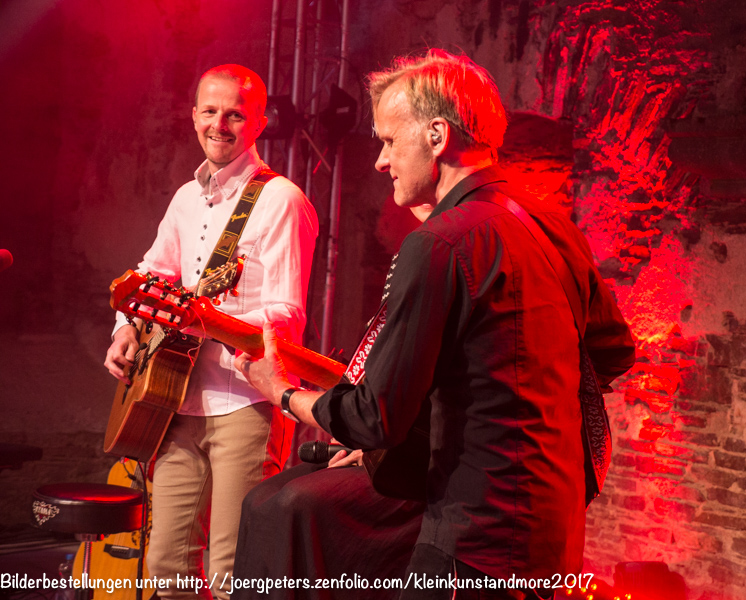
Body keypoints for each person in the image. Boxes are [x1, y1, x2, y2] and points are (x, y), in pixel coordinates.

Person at [234, 49, 635, 599]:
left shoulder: (438, 243)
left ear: (437, 136)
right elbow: (612, 352)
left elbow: (372, 418)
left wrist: (281, 391)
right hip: (553, 530)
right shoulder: (550, 223)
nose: (381, 161)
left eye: (388, 141)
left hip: (473, 539)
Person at [104, 64, 318, 600]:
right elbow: (151, 274)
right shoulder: (185, 198)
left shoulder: (282, 200)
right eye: (210, 111)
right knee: (166, 568)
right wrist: (125, 328)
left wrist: (203, 321)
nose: (219, 124)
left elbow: (286, 314)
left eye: (235, 115)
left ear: (260, 123)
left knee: (231, 570)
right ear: (193, 115)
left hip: (247, 404)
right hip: (178, 401)